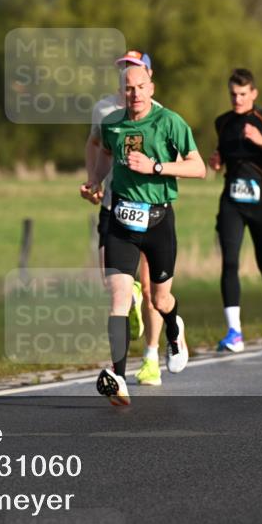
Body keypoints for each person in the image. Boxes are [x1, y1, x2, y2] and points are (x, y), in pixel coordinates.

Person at [82, 60, 206, 405]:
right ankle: (118, 376)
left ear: (151, 88)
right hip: (122, 220)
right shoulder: (112, 123)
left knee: (159, 298)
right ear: (121, 92)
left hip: (158, 221)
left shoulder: (169, 122)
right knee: (119, 295)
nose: (134, 94)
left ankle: (174, 327)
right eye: (128, 88)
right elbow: (105, 155)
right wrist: (95, 179)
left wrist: (156, 167)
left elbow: (198, 168)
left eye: (140, 87)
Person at [82, 51, 164, 386]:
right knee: (112, 282)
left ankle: (151, 358)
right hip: (114, 207)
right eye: (123, 69)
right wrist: (94, 180)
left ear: (148, 77)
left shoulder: (158, 115)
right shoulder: (104, 109)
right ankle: (127, 304)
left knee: (150, 289)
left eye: (134, 70)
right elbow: (95, 145)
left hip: (148, 210)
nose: (127, 75)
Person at [209, 68, 262, 355]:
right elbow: (224, 153)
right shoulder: (222, 122)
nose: (238, 99)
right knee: (230, 263)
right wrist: (218, 160)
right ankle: (234, 332)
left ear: (254, 94)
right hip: (232, 200)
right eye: (233, 94)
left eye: (243, 94)